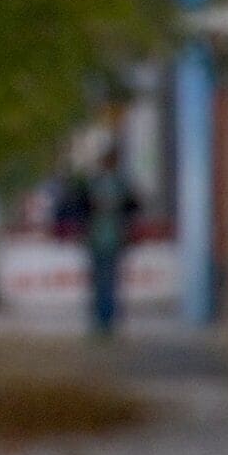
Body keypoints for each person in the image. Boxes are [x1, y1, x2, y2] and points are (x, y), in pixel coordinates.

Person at [79, 144, 139, 338]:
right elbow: (82, 207)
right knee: (100, 281)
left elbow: (134, 205)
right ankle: (100, 321)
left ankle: (107, 321)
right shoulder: (95, 183)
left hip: (114, 238)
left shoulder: (121, 184)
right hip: (97, 238)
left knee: (109, 281)